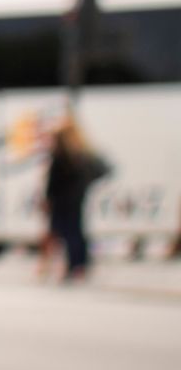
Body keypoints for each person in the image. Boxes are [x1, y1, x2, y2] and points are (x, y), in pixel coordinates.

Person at [44, 117, 108, 282]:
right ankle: (80, 265)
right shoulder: (79, 155)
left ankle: (74, 266)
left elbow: (53, 183)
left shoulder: (61, 157)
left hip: (62, 202)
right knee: (76, 232)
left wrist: (48, 198)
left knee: (67, 233)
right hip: (76, 200)